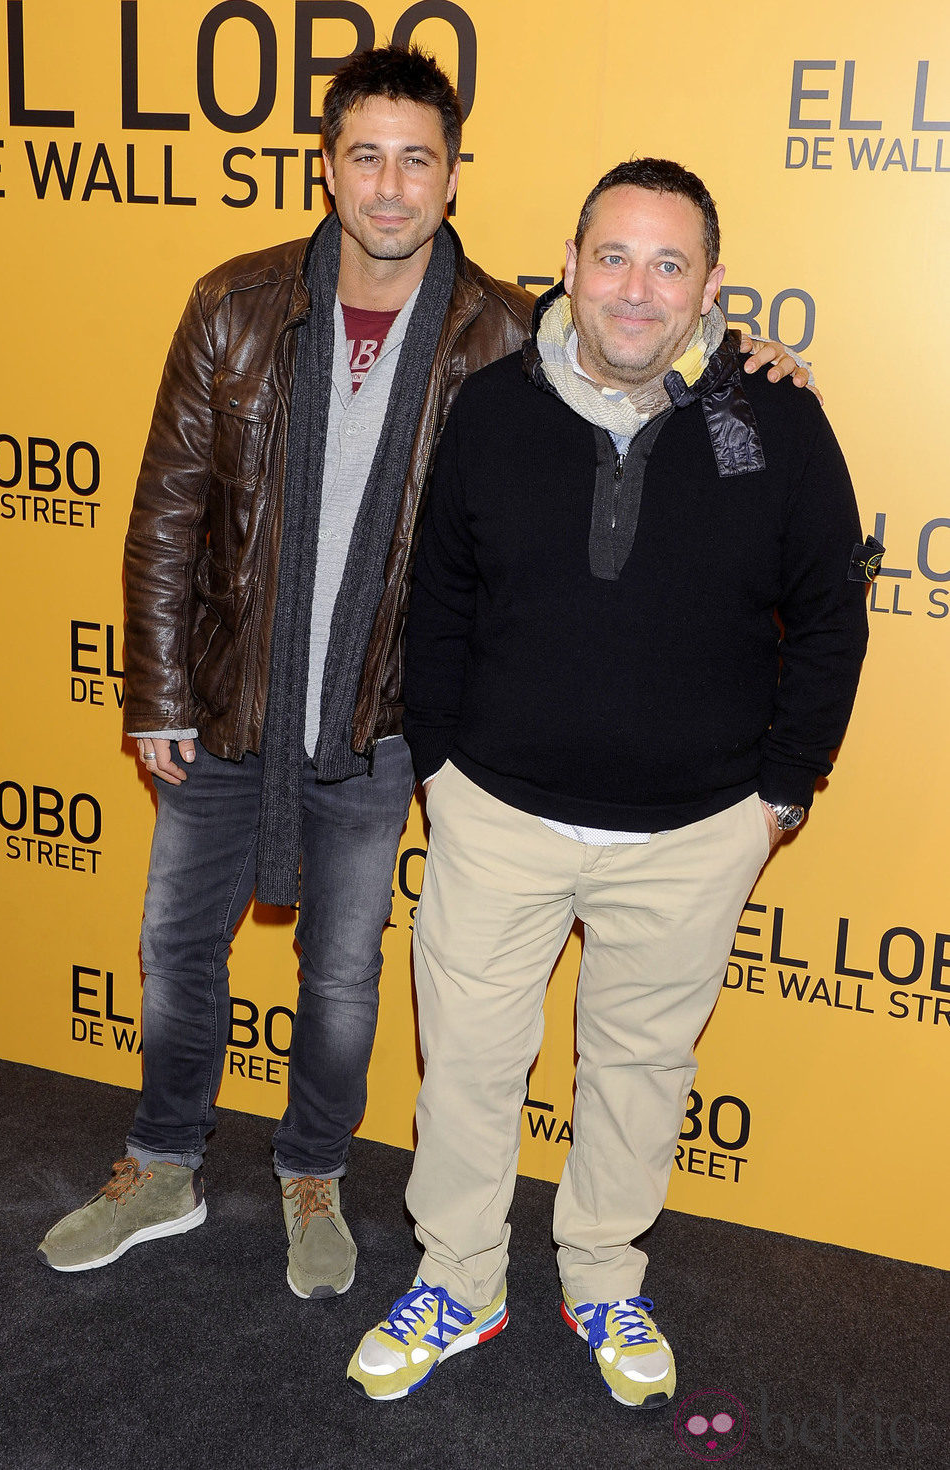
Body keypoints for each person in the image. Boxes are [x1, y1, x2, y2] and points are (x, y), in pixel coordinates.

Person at [37, 45, 808, 1295]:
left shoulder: (506, 332)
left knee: (343, 974)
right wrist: (159, 690)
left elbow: (641, 349)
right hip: (228, 696)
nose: (390, 187)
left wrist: (746, 362)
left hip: (384, 714)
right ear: (325, 167)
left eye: (418, 160)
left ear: (455, 177)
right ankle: (162, 1166)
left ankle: (310, 1175)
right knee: (178, 948)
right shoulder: (233, 302)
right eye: (364, 157)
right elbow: (168, 507)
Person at [348, 157, 876, 1403]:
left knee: (638, 1073)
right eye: (612, 258)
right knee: (469, 1064)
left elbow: (829, 614)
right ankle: (460, 1282)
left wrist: (779, 795)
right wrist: (440, 765)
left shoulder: (775, 418)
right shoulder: (488, 408)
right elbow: (439, 599)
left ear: (709, 286)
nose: (634, 291)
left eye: (666, 263)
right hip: (497, 813)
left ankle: (602, 1279)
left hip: (695, 830)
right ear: (570, 266)